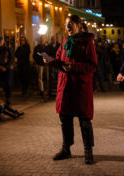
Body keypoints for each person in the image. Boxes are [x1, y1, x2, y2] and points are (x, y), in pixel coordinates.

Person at [43, 14, 97, 164]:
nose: (67, 27)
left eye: (70, 24)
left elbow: (93, 66)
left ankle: (88, 151)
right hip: (65, 87)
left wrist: (75, 67)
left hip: (80, 88)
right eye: (66, 24)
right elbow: (60, 61)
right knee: (65, 119)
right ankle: (66, 149)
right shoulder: (66, 41)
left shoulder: (87, 42)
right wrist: (50, 61)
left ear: (78, 25)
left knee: (84, 121)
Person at [0, 36, 14, 106]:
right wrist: (0, 67)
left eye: (1, 41)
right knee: (3, 83)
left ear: (3, 41)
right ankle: (6, 96)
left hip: (8, 68)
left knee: (8, 83)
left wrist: (6, 67)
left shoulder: (7, 48)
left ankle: (8, 97)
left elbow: (11, 58)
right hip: (1, 68)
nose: (0, 42)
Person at [33, 35, 47, 99]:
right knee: (40, 78)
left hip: (46, 64)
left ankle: (46, 89)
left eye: (43, 38)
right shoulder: (37, 47)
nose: (42, 40)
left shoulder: (46, 47)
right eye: (41, 38)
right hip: (40, 64)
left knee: (47, 77)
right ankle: (42, 90)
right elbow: (34, 55)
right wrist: (36, 61)